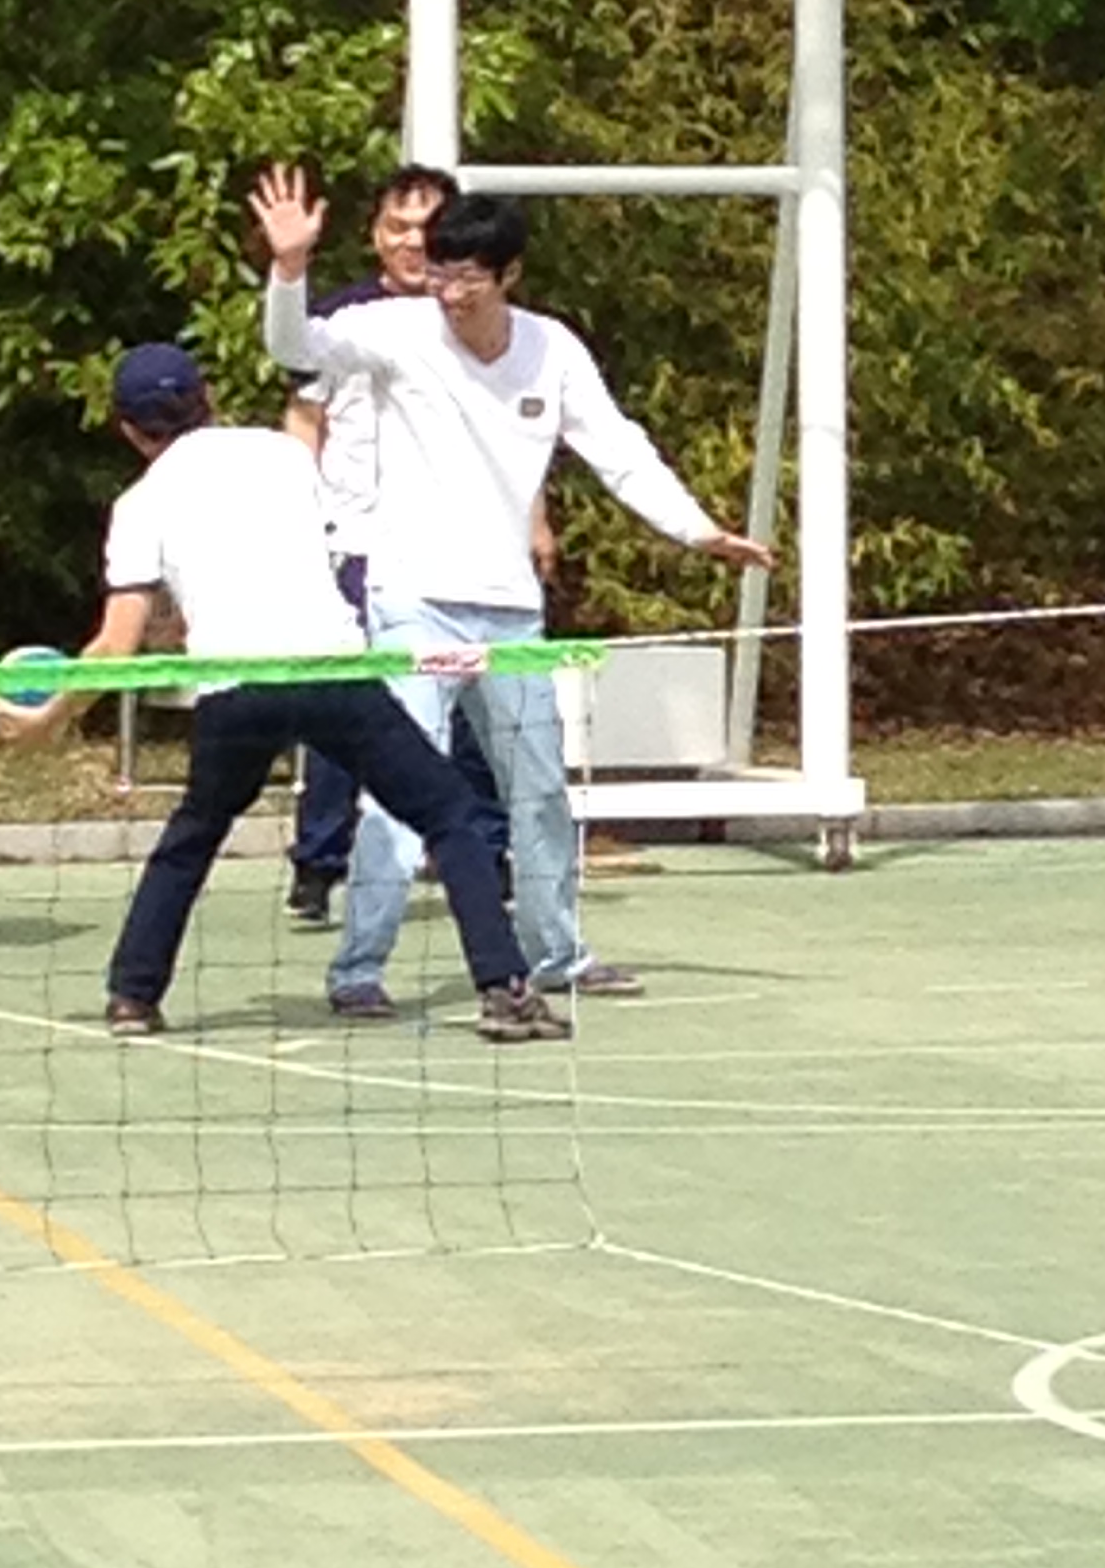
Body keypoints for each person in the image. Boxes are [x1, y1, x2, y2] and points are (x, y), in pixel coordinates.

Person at [251, 163, 773, 1011]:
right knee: (399, 790)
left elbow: (619, 449)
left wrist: (696, 530)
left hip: (511, 615)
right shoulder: (391, 328)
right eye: (440, 273)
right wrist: (289, 266)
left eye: (468, 277)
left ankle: (557, 953)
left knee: (538, 790)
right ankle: (359, 970)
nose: (450, 293)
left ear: (510, 275)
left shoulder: (552, 348)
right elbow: (293, 348)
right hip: (410, 600)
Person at [0, 342, 553, 1042]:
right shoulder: (284, 455)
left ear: (128, 430)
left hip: (238, 688)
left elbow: (115, 645)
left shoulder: (140, 503)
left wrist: (50, 716)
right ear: (208, 400)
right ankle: (504, 990)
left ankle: (132, 997)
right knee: (450, 814)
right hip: (330, 671)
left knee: (193, 835)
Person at [280, 160, 513, 926]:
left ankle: (483, 852)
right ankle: (320, 861)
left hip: (460, 548)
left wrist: (532, 518)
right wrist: (302, 523)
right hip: (355, 541)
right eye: (397, 227)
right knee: (344, 704)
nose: (413, 243)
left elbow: (515, 434)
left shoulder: (482, 320)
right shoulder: (343, 317)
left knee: (473, 708)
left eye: (427, 229)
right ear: (375, 235)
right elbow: (305, 417)